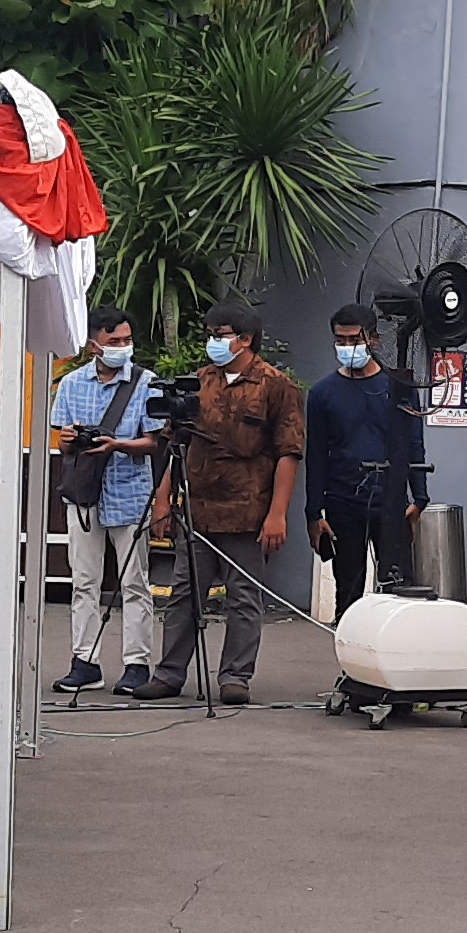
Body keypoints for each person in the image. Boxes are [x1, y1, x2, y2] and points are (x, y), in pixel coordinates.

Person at [150, 302, 302, 705]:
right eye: (212, 334)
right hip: (197, 508)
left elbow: (289, 453)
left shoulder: (276, 386)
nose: (213, 342)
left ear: (245, 339)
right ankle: (169, 673)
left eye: (221, 335)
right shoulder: (201, 381)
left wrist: (277, 514)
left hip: (248, 509)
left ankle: (235, 676)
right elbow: (176, 442)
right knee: (183, 593)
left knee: (243, 597)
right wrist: (163, 499)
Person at [49, 307, 161, 695]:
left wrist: (118, 445)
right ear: (93, 345)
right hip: (84, 494)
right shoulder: (71, 384)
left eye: (127, 340)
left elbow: (156, 441)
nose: (123, 348)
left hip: (130, 491)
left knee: (135, 583)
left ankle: (137, 663)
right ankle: (84, 661)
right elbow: (62, 439)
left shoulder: (146, 383)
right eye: (114, 342)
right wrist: (67, 441)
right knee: (84, 581)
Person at [301, 303, 427, 613]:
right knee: (347, 592)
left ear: (374, 340)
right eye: (340, 340)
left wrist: (419, 498)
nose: (346, 347)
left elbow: (413, 442)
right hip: (343, 502)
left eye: (353, 340)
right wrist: (313, 512)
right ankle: (348, 658)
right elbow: (316, 455)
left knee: (399, 591)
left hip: (392, 499)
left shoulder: (399, 387)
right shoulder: (322, 393)